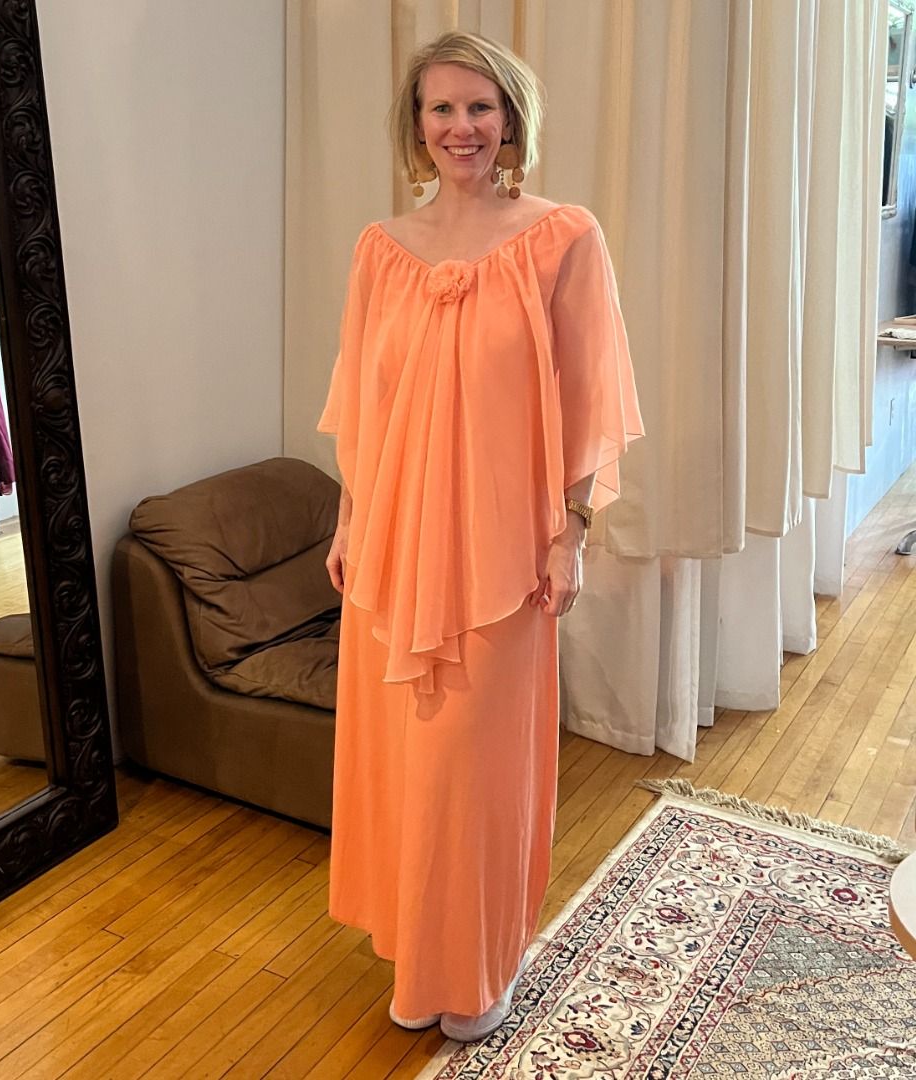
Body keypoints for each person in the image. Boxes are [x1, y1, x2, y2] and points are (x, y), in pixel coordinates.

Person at [317, 31, 644, 1043]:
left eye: (479, 107)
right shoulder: (381, 249)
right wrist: (348, 517)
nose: (461, 128)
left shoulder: (562, 238)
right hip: (393, 545)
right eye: (441, 110)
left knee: (477, 764)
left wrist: (573, 531)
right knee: (408, 760)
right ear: (415, 129)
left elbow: (591, 398)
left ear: (510, 120)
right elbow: (361, 404)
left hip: (506, 550)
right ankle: (422, 953)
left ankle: (480, 957)